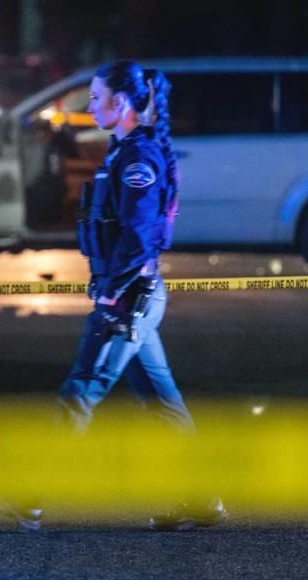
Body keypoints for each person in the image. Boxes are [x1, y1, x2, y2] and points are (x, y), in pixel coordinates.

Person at [41, 60, 224, 531]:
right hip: (133, 294)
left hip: (127, 297)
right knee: (163, 404)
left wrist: (109, 291)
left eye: (97, 97)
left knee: (82, 387)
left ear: (120, 103)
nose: (91, 106)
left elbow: (141, 234)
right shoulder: (125, 151)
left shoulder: (137, 157)